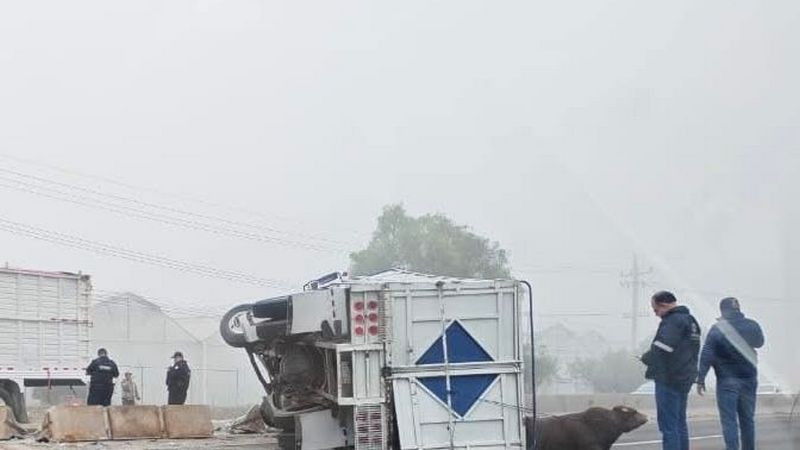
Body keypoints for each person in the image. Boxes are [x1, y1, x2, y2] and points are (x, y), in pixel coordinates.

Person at [697, 297, 764, 450]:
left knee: (729, 422)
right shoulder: (752, 325)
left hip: (727, 380)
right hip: (749, 378)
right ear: (739, 308)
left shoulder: (718, 328)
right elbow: (760, 343)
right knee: (748, 420)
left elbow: (707, 353)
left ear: (722, 311)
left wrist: (701, 377)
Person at [639, 291, 701, 450]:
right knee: (680, 423)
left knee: (668, 426)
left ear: (664, 305)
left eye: (655, 310)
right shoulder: (691, 321)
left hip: (669, 379)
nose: (656, 314)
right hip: (684, 378)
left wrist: (647, 358)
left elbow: (662, 348)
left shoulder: (673, 321)